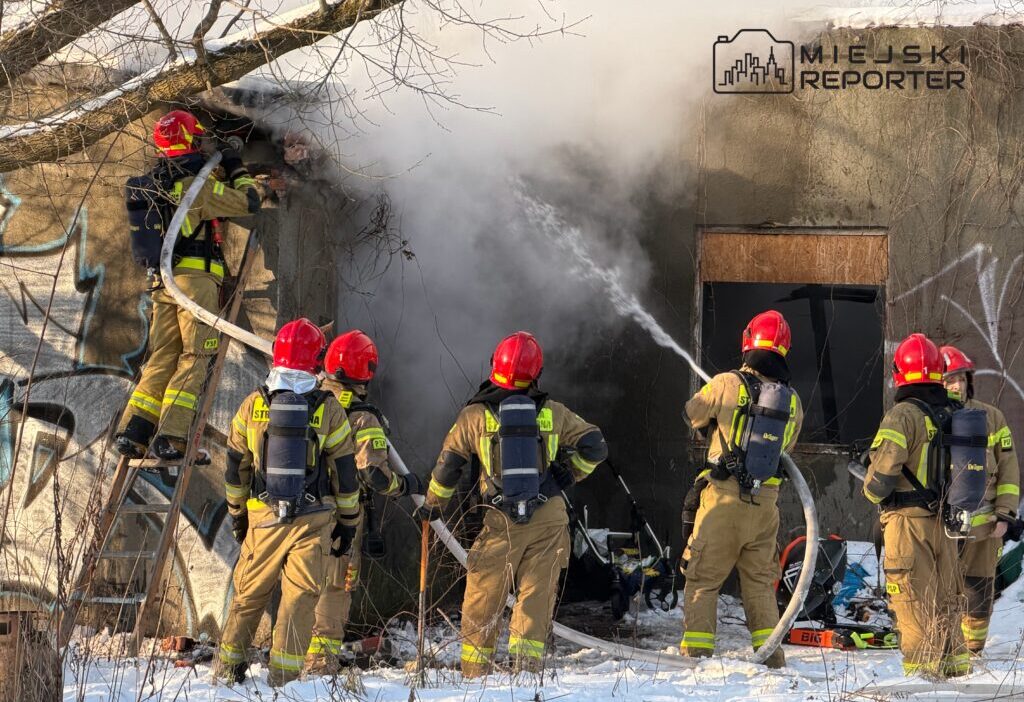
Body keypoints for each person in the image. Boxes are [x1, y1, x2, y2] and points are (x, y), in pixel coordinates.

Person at [413, 331, 607, 677]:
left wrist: (433, 507)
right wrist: (570, 475)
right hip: (549, 517)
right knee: (535, 597)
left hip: (500, 519)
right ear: (537, 373)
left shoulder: (474, 415)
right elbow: (596, 446)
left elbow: (448, 467)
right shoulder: (553, 412)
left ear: (495, 366)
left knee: (483, 599)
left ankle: (474, 677)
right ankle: (527, 672)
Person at [214, 319, 360, 686]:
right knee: (298, 600)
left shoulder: (252, 405)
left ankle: (226, 672)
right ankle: (284, 680)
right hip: (313, 520)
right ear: (316, 361)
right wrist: (348, 522)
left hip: (263, 517)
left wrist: (237, 515)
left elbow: (235, 469)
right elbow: (345, 474)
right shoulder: (328, 409)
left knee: (248, 595)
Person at [116, 109, 262, 460]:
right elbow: (249, 202)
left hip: (162, 285)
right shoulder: (196, 188)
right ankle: (171, 436)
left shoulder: (153, 184)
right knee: (196, 354)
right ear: (190, 140)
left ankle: (134, 431)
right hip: (194, 286)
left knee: (163, 354)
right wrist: (236, 166)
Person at [679, 309, 803, 669]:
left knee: (702, 579)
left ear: (748, 340)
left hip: (724, 498)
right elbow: (785, 450)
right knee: (761, 583)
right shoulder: (792, 401)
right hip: (765, 505)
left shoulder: (724, 383)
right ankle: (771, 659)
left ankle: (697, 660)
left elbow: (691, 415)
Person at [304, 329, 423, 673]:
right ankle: (319, 663)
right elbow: (374, 475)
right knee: (336, 587)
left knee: (301, 585)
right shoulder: (362, 416)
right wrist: (405, 485)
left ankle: (290, 657)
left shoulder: (307, 400)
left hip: (299, 513)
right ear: (366, 370)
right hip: (342, 514)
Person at [863, 333, 970, 678]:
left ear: (900, 373)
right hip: (947, 524)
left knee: (912, 603)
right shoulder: (954, 413)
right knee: (946, 603)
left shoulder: (903, 415)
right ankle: (956, 675)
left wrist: (870, 482)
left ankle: (921, 682)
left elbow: (879, 482)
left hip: (908, 525)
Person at [940, 344, 1019, 654]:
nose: (955, 385)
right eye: (947, 380)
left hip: (985, 526)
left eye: (959, 378)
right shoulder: (932, 418)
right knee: (942, 587)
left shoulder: (992, 417)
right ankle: (943, 646)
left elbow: (1009, 470)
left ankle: (973, 650)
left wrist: (1005, 513)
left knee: (978, 588)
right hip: (943, 524)